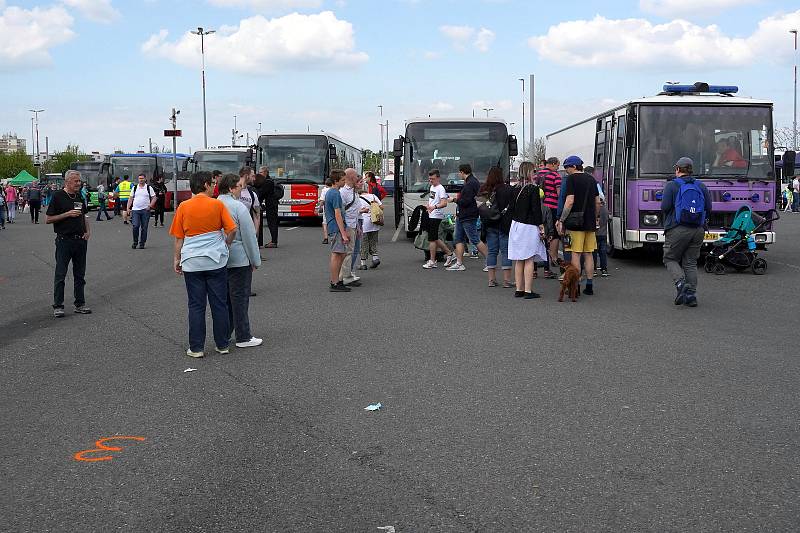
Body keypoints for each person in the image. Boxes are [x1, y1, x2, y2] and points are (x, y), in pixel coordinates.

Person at [170, 172, 237, 358]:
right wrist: (226, 243)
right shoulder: (217, 204)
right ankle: (222, 344)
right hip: (216, 260)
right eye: (213, 184)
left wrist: (177, 259)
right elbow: (232, 229)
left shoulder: (184, 207)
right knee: (219, 304)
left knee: (196, 305)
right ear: (206, 185)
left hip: (192, 262)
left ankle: (197, 348)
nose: (214, 186)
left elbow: (178, 238)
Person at [217, 173, 263, 348]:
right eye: (239, 187)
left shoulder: (214, 204)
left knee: (224, 299)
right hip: (238, 258)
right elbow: (249, 236)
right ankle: (243, 336)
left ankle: (224, 333)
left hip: (218, 258)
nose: (241, 190)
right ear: (230, 188)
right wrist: (255, 260)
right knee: (240, 298)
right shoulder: (238, 207)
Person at [661, 157, 712, 307]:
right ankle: (691, 296)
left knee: (670, 258)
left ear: (677, 169)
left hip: (678, 228)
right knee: (690, 262)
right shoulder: (701, 185)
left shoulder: (671, 185)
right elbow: (709, 208)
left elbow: (664, 207)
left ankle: (681, 284)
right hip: (698, 229)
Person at [45, 170, 92, 317]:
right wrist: (67, 214)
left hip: (80, 240)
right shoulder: (58, 196)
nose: (79, 183)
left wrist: (88, 231)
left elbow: (83, 215)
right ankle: (58, 306)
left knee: (80, 274)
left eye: (79, 181)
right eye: (75, 181)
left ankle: (80, 304)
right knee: (61, 274)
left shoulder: (78, 195)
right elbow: (48, 219)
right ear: (67, 182)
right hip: (64, 240)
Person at [557, 155, 600, 296]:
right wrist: (595, 217)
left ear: (574, 166)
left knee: (575, 253)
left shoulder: (571, 179)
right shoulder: (591, 179)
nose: (566, 170)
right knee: (588, 254)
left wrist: (562, 219)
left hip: (575, 223)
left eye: (567, 167)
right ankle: (589, 285)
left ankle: (576, 285)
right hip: (590, 223)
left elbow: (569, 201)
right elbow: (597, 201)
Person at [507, 168, 547, 299]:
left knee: (519, 259)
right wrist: (541, 226)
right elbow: (536, 210)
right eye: (533, 172)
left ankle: (519, 289)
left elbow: (511, 209)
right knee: (529, 258)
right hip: (529, 226)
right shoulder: (533, 189)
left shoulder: (515, 189)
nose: (535, 174)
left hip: (516, 225)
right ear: (529, 173)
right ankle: (528, 291)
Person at [446, 163, 488, 271]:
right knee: (458, 238)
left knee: (474, 239)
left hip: (468, 215)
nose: (459, 175)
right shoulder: (472, 181)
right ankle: (459, 263)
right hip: (464, 215)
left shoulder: (470, 184)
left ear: (462, 172)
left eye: (459, 173)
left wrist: (454, 200)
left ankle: (490, 261)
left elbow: (466, 201)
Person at [481, 167, 514, 288]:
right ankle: (507, 280)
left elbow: (480, 207)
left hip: (489, 224)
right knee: (506, 252)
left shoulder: (484, 189)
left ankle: (491, 279)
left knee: (492, 252)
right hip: (504, 224)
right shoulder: (508, 189)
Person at [422, 169, 456, 269]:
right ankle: (449, 253)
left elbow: (444, 203)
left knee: (432, 239)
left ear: (438, 178)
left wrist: (434, 207)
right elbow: (432, 199)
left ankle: (432, 261)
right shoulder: (432, 187)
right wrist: (429, 206)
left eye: (432, 179)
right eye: (429, 179)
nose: (430, 181)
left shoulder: (441, 189)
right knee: (434, 237)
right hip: (431, 213)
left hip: (436, 215)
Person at [324, 169, 351, 292]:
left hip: (334, 226)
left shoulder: (330, 192)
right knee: (337, 254)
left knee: (341, 254)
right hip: (336, 227)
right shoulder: (335, 194)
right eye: (342, 180)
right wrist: (344, 233)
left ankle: (336, 281)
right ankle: (335, 282)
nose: (344, 182)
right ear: (336, 181)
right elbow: (338, 214)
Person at [339, 168, 364, 286]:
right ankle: (346, 277)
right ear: (351, 177)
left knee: (350, 251)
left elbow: (354, 212)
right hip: (348, 226)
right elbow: (340, 212)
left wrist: (358, 226)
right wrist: (345, 230)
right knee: (348, 253)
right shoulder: (343, 192)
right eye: (355, 176)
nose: (357, 177)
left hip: (353, 225)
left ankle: (344, 276)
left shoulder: (353, 191)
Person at [536, 157, 561, 279]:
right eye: (557, 165)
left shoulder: (537, 174)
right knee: (553, 234)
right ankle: (553, 258)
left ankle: (534, 270)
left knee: (538, 236)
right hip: (552, 206)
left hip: (539, 206)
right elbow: (559, 192)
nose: (558, 167)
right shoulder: (555, 175)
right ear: (553, 164)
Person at [358, 177, 384, 269]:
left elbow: (357, 211)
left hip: (364, 223)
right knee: (373, 241)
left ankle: (363, 263)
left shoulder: (358, 199)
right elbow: (382, 207)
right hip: (375, 221)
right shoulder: (373, 196)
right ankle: (375, 258)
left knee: (364, 243)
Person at [127, 173, 157, 249]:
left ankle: (142, 243)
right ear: (138, 179)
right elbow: (130, 198)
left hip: (145, 211)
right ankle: (135, 242)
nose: (141, 180)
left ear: (145, 179)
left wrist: (150, 206)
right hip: (135, 210)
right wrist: (128, 208)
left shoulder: (149, 188)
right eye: (140, 178)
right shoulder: (134, 188)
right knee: (135, 226)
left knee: (144, 227)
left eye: (142, 178)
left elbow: (154, 198)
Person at [259, 165, 280, 248]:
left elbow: (261, 193)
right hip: (272, 204)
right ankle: (274, 241)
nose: (259, 174)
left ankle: (274, 242)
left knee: (272, 223)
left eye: (261, 172)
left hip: (271, 205)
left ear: (265, 172)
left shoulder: (268, 182)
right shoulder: (269, 180)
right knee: (272, 222)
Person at [593, 199, 609, 277]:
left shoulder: (593, 209)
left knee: (594, 253)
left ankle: (594, 270)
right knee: (603, 253)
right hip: (603, 234)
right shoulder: (605, 210)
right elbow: (608, 220)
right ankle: (604, 269)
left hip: (594, 234)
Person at [318, 177, 333, 244]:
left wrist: (320, 207)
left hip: (326, 208)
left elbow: (322, 201)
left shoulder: (324, 190)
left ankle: (326, 238)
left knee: (325, 223)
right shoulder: (335, 189)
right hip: (334, 208)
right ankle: (333, 235)